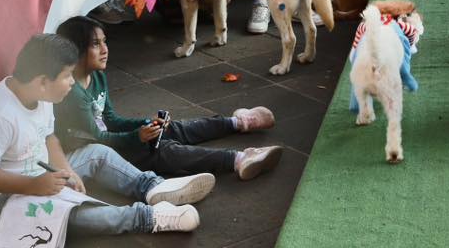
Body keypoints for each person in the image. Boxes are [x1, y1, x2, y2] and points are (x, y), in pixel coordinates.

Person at [0, 34, 214, 238]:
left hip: (40, 175)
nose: (72, 82)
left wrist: (66, 170)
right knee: (69, 214)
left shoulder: (40, 94)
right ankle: (147, 218)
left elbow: (49, 138)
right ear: (41, 81)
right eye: (67, 76)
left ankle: (154, 188)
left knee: (98, 154)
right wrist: (33, 186)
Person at [53, 16, 281, 179]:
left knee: (171, 129)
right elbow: (97, 140)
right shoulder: (71, 94)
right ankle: (239, 160)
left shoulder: (97, 76)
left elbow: (110, 118)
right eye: (95, 44)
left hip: (113, 141)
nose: (105, 49)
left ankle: (237, 122)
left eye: (104, 41)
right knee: (165, 151)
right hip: (100, 154)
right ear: (76, 50)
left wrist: (145, 125)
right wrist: (137, 137)